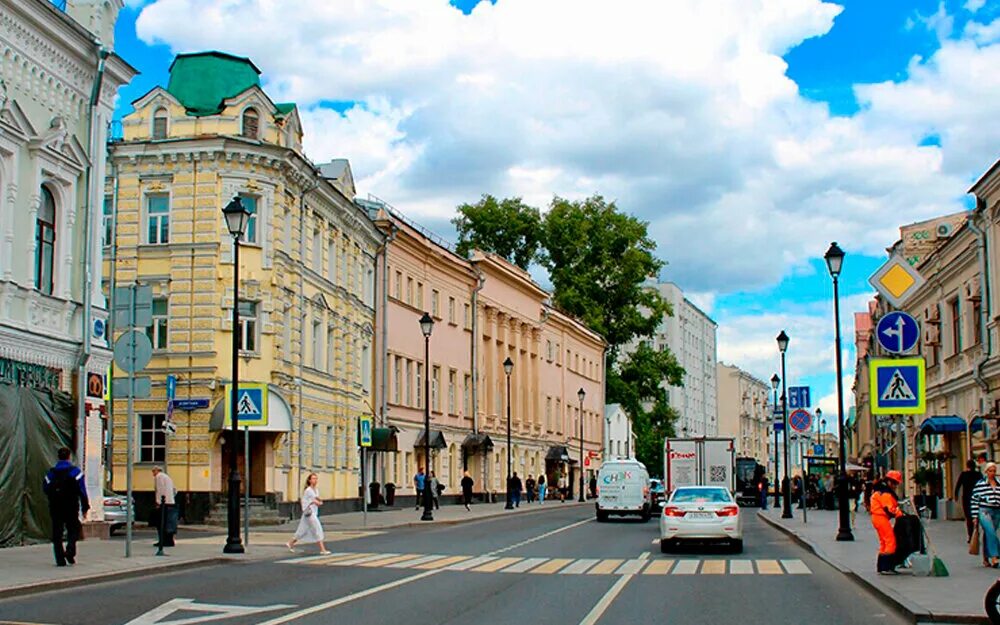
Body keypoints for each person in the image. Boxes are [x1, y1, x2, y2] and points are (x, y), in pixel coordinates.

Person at [43, 447, 89, 566]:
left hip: (55, 506)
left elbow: (45, 489)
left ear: (58, 457)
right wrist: (85, 507)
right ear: (69, 457)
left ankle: (59, 559)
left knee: (57, 532)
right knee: (74, 529)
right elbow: (82, 491)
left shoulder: (51, 473)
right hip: (71, 505)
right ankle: (70, 550)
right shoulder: (75, 472)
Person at [870, 470, 905, 574]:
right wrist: (900, 514)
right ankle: (887, 566)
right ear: (889, 481)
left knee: (883, 542)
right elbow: (889, 508)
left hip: (877, 517)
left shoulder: (880, 490)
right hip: (881, 518)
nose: (895, 486)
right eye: (894, 483)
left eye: (896, 484)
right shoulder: (885, 493)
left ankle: (881, 565)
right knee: (890, 541)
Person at [286, 473, 330, 554]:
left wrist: (319, 501)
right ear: (309, 480)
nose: (315, 480)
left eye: (316, 479)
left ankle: (290, 543)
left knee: (302, 530)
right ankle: (322, 550)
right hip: (310, 513)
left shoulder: (316, 490)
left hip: (311, 513)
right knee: (318, 529)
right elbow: (315, 500)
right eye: (313, 479)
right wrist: (319, 502)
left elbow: (317, 498)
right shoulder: (308, 490)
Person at [972, 462, 1000, 568]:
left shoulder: (998, 483)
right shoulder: (981, 484)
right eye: (990, 471)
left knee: (988, 534)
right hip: (984, 510)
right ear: (986, 472)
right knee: (991, 532)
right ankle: (994, 557)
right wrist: (974, 516)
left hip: (997, 511)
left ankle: (985, 558)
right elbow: (974, 500)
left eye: (994, 471)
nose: (992, 473)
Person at [957, 459, 983, 542]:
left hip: (966, 498)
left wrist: (955, 495)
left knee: (968, 518)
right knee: (975, 516)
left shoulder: (964, 474)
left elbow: (958, 485)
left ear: (967, 466)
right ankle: (976, 532)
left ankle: (971, 535)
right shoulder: (978, 474)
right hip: (976, 498)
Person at [152, 466, 177, 547]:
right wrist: (171, 498)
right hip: (171, 502)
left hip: (163, 503)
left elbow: (160, 490)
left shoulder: (158, 477)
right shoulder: (168, 477)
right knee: (169, 523)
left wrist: (158, 502)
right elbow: (175, 490)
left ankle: (162, 541)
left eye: (153, 471)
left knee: (161, 523)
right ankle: (170, 541)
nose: (153, 473)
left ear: (157, 471)